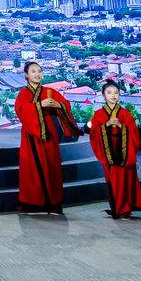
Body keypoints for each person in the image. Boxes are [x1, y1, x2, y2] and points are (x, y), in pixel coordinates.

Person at [15, 61, 81, 215]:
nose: (37, 74)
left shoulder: (50, 91)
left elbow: (65, 105)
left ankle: (54, 202)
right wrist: (40, 105)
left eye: (39, 71)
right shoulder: (24, 93)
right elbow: (21, 109)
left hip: (50, 133)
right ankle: (32, 203)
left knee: (52, 166)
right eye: (33, 71)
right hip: (32, 135)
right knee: (32, 168)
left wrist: (58, 105)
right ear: (26, 75)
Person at [89, 81, 141, 220]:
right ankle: (117, 208)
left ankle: (125, 209)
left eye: (116, 92)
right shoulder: (99, 114)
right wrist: (106, 125)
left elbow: (134, 133)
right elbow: (94, 133)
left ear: (120, 94)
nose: (113, 95)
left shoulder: (126, 114)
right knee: (112, 180)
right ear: (103, 95)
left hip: (124, 152)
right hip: (108, 151)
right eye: (109, 92)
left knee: (125, 179)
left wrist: (122, 126)